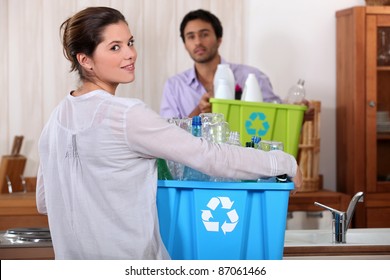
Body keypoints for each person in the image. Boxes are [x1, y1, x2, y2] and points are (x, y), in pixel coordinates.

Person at [36, 6, 302, 260]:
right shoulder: (126, 115)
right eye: (115, 47)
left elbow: (45, 202)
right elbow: (209, 156)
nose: (130, 54)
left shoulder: (55, 120)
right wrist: (282, 161)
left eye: (130, 42)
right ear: (85, 60)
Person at [160, 9, 281, 119]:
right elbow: (169, 136)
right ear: (185, 45)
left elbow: (277, 118)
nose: (197, 42)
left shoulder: (253, 77)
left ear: (219, 39)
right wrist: (200, 110)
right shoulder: (174, 86)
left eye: (204, 34)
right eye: (191, 37)